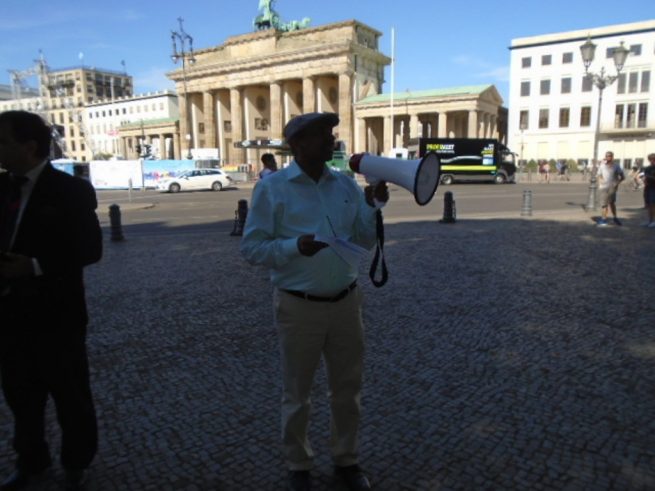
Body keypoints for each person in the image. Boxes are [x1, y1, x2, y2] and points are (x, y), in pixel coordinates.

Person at [240, 112, 388, 491]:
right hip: (298, 305)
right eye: (323, 135)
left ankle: (346, 459)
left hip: (346, 303)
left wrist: (373, 208)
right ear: (298, 144)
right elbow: (252, 247)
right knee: (297, 392)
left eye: (331, 133)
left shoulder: (345, 184)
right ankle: (298, 465)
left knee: (347, 389)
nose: (331, 140)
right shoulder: (273, 189)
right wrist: (295, 246)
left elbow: (364, 239)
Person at [0, 111, 102, 491]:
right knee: (20, 398)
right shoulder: (2, 189)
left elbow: (90, 249)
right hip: (9, 315)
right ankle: (31, 461)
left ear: (29, 147)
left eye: (2, 142)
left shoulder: (70, 190)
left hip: (56, 315)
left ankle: (76, 462)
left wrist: (35, 266)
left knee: (70, 396)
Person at [596, 151, 625, 226]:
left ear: (612, 157)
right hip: (604, 187)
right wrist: (600, 183)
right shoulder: (602, 166)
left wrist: (617, 183)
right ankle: (604, 219)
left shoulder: (616, 166)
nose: (608, 157)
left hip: (612, 188)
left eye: (609, 156)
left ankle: (615, 218)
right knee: (604, 204)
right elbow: (599, 175)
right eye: (606, 156)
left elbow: (622, 177)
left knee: (612, 203)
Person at [642, 153, 655, 228]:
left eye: (653, 159)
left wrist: (649, 177)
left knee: (653, 205)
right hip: (649, 188)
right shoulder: (647, 168)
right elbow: (645, 179)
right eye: (651, 159)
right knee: (650, 205)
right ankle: (651, 220)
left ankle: (653, 221)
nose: (652, 161)